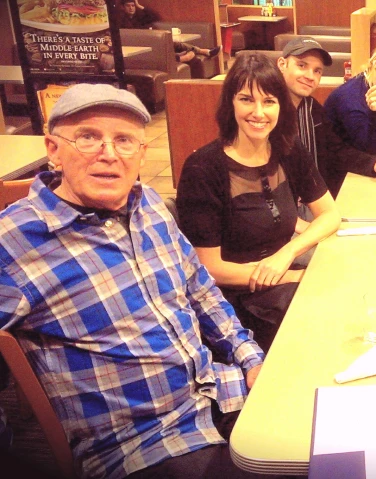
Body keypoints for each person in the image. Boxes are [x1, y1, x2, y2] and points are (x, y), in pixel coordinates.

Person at [0, 83, 265, 478]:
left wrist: (249, 357)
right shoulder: (16, 240)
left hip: (218, 392)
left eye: (124, 140)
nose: (109, 154)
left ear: (142, 153)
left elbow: (200, 289)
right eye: (88, 137)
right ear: (53, 149)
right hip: (145, 447)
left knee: (334, 437)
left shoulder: (149, 205)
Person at [177, 54, 340, 352]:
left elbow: (330, 215)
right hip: (233, 300)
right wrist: (290, 275)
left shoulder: (288, 149)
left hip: (280, 277)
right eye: (246, 100)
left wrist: (287, 253)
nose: (259, 112)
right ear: (230, 104)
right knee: (327, 320)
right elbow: (208, 268)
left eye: (269, 101)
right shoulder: (203, 168)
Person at [276, 37, 376, 198]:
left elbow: (336, 150)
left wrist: (372, 163)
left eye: (317, 71)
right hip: (282, 207)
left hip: (311, 198)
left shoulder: (312, 109)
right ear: (282, 64)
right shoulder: (265, 112)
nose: (310, 76)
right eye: (302, 65)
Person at [117, 0, 220, 64]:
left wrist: (140, 6)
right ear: (123, 7)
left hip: (151, 43)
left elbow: (155, 16)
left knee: (175, 44)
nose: (131, 8)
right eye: (128, 6)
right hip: (143, 46)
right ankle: (181, 57)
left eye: (133, 5)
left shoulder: (139, 16)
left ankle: (204, 51)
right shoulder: (121, 20)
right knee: (169, 46)